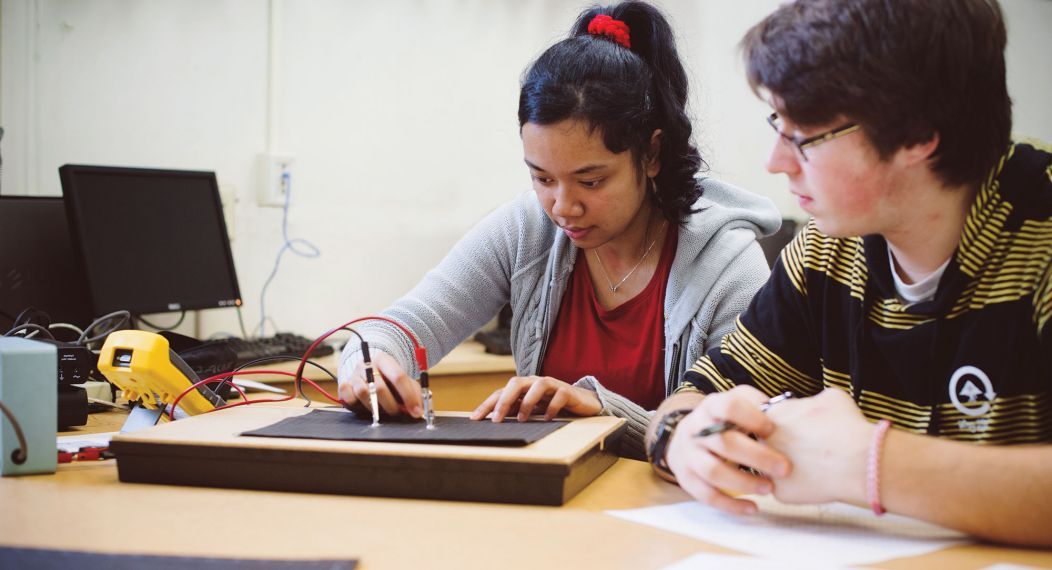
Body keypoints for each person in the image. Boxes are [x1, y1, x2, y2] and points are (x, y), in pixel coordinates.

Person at [645, 0, 1052, 546]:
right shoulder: (825, 252)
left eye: (804, 135)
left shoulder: (1040, 235)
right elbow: (693, 395)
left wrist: (867, 463)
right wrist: (682, 437)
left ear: (916, 134)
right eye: (777, 124)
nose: (776, 160)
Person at [338, 1, 780, 459]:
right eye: (542, 178)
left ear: (651, 154)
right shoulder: (525, 229)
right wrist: (368, 364)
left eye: (591, 181)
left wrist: (604, 412)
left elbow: (737, 438)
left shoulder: (725, 263)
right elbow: (400, 327)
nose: (562, 207)